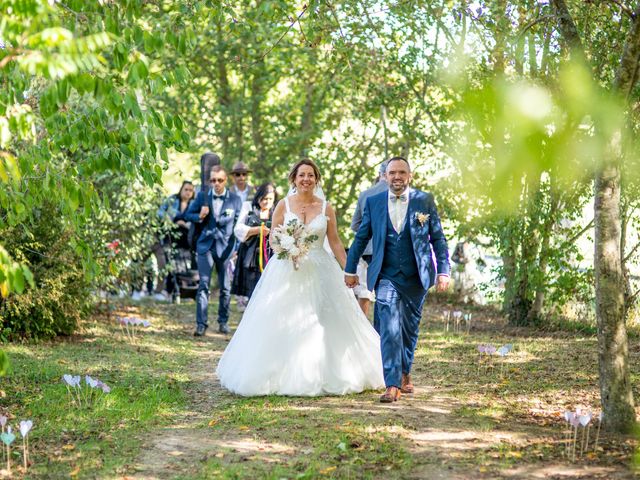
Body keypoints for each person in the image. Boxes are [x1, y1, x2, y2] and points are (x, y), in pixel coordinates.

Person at [216, 159, 384, 396]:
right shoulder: (283, 205)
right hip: (287, 269)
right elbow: (273, 237)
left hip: (320, 268)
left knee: (323, 319)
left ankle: (328, 371)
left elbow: (335, 242)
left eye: (311, 175)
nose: (306, 179)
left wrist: (349, 269)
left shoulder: (326, 207)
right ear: (294, 179)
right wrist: (287, 248)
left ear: (316, 179)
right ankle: (276, 373)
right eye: (302, 175)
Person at [344, 157, 450, 403]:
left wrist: (443, 270)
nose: (397, 177)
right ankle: (391, 384)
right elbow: (361, 238)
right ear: (385, 176)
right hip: (386, 275)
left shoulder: (425, 200)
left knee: (409, 329)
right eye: (392, 173)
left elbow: (438, 238)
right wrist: (350, 269)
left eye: (402, 172)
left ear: (409, 176)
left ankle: (405, 371)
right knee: (389, 327)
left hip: (417, 274)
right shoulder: (373, 202)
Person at [182, 166, 243, 336]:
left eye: (220, 180)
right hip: (205, 246)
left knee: (225, 287)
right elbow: (187, 215)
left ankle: (223, 322)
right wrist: (199, 216)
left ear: (226, 181)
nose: (216, 183)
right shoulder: (202, 196)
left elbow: (238, 226)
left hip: (225, 247)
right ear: (209, 181)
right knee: (203, 285)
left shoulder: (235, 200)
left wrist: (236, 248)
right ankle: (201, 324)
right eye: (213, 180)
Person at [350, 160, 389, 316]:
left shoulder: (365, 194)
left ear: (379, 174)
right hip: (389, 249)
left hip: (368, 251)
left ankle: (363, 329)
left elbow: (355, 225)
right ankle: (383, 329)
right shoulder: (400, 193)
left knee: (365, 291)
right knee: (386, 291)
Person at [231, 183, 277, 301]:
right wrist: (257, 230)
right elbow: (238, 229)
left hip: (270, 254)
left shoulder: (277, 210)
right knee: (252, 290)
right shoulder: (248, 206)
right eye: (264, 198)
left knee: (268, 288)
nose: (267, 202)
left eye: (270, 199)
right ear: (258, 197)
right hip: (250, 255)